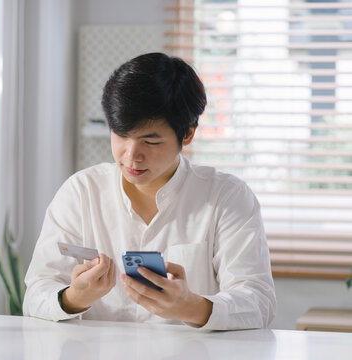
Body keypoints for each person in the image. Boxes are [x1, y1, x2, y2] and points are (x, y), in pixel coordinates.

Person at [23, 53, 276, 330]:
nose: (132, 156)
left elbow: (258, 302)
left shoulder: (227, 197)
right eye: (121, 135)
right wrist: (73, 298)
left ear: (188, 134)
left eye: (150, 141)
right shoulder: (81, 192)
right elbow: (36, 293)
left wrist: (192, 306)